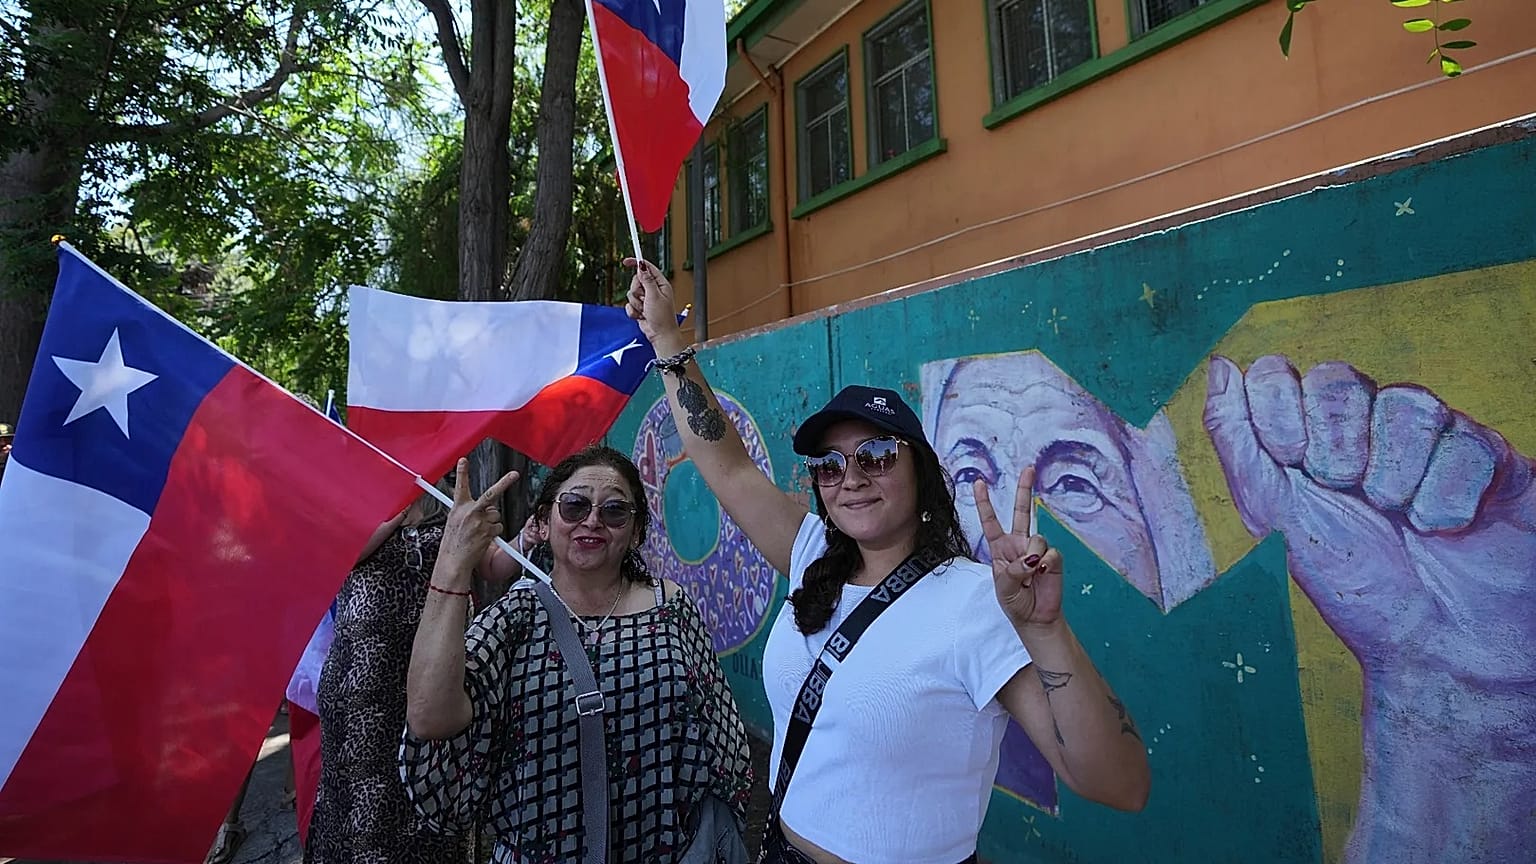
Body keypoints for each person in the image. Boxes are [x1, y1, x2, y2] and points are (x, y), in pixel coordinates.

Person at [624, 258, 1151, 864]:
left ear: (920, 474)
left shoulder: (978, 599)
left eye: (875, 455)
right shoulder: (812, 549)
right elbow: (728, 463)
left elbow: (1119, 784)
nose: (850, 478)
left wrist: (1046, 630)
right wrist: (668, 339)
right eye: (829, 465)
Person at [401, 447, 754, 863]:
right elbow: (429, 717)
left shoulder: (671, 606)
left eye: (614, 511)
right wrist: (452, 563)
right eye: (574, 506)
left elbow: (722, 738)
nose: (592, 521)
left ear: (636, 531)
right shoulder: (515, 616)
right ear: (545, 523)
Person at [306, 478, 516, 864]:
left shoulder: (448, 503)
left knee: (428, 787)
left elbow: (489, 566)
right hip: (362, 685)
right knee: (362, 803)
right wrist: (391, 517)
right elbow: (334, 558)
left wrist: (528, 541)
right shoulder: (361, 498)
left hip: (431, 679)